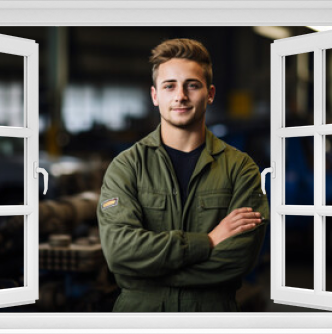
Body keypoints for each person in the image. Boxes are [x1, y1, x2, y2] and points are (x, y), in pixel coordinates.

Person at [97, 38, 269, 312]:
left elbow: (237, 259)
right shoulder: (127, 166)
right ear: (155, 96)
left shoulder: (240, 168)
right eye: (169, 86)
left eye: (192, 85)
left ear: (210, 93)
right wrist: (209, 241)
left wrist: (147, 275)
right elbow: (120, 254)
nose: (180, 96)